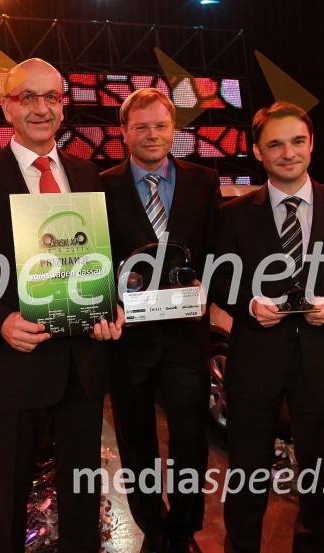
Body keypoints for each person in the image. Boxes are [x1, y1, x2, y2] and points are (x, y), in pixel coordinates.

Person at [0, 58, 123, 553]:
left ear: (63, 108)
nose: (42, 108)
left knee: (82, 495)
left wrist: (113, 309)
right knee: (11, 497)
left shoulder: (87, 173)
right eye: (28, 97)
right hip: (13, 365)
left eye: (53, 98)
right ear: (7, 109)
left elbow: (102, 261)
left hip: (82, 365)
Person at [212, 101, 324, 553]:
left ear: (311, 144)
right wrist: (249, 305)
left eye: (297, 141)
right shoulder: (234, 214)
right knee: (245, 478)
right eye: (275, 144)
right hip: (255, 362)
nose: (288, 153)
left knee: (319, 483)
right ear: (258, 152)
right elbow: (220, 278)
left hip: (322, 361)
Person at [101, 88, 221, 553]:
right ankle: (153, 526)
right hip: (127, 339)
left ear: (174, 130)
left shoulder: (203, 181)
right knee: (136, 441)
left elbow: (216, 249)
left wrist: (212, 285)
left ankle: (184, 530)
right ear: (124, 132)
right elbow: (96, 258)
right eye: (141, 126)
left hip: (188, 336)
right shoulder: (102, 184)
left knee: (191, 438)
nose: (151, 134)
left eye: (160, 125)